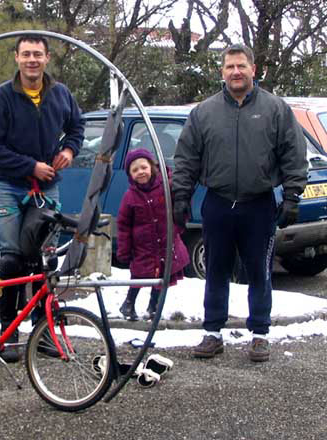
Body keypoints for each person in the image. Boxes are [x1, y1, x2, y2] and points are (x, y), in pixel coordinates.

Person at [172, 44, 307, 362]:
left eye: (241, 66)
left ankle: (259, 334)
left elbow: (293, 153)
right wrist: (181, 196)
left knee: (259, 271)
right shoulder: (204, 112)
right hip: (217, 204)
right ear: (222, 71)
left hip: (258, 204)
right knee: (215, 270)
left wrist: (292, 196)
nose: (236, 71)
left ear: (253, 70)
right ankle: (212, 333)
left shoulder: (275, 109)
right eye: (230, 66)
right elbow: (186, 158)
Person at [0, 35, 84, 362]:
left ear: (47, 58)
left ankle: (43, 332)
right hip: (11, 187)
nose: (32, 60)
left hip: (48, 189)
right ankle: (8, 332)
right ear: (17, 58)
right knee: (11, 259)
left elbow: (77, 127)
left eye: (37, 54)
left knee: (43, 261)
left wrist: (69, 149)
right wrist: (30, 166)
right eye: (26, 54)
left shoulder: (60, 94)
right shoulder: (2, 97)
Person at [116, 148, 189, 321]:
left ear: (152, 167)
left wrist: (179, 225)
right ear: (130, 175)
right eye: (135, 170)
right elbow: (124, 225)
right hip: (143, 246)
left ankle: (154, 305)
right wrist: (124, 250)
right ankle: (128, 303)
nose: (140, 172)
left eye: (143, 167)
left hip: (165, 242)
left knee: (163, 275)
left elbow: (181, 203)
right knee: (139, 275)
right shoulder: (130, 197)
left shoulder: (165, 187)